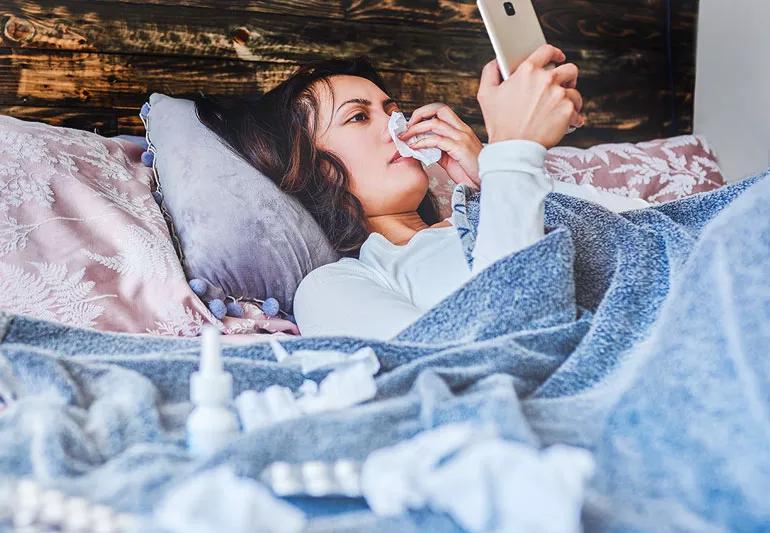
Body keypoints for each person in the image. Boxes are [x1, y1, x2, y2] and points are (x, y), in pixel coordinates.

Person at [195, 44, 649, 340]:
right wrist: (513, 155)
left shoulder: (491, 199)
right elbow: (482, 357)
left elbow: (640, 240)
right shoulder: (337, 285)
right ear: (313, 168)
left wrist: (489, 172)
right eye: (358, 117)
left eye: (394, 111)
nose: (398, 127)